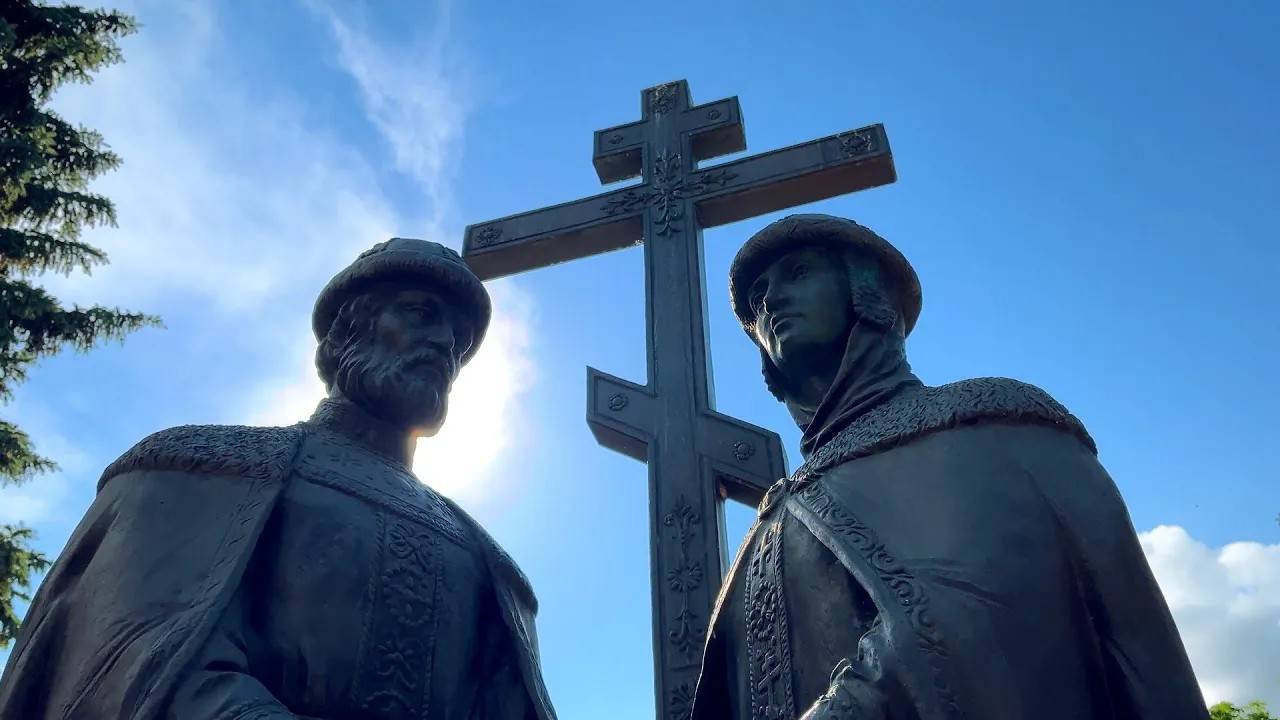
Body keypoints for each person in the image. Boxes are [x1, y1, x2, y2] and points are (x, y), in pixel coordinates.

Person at [0, 238, 557, 720]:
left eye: (459, 337)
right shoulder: (197, 468)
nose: (444, 344)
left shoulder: (485, 562)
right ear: (347, 332)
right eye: (420, 313)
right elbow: (142, 663)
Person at [691, 214, 1206, 720]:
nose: (771, 301)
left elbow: (990, 607)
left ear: (866, 293)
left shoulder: (991, 424)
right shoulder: (771, 525)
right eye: (758, 296)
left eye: (799, 273)